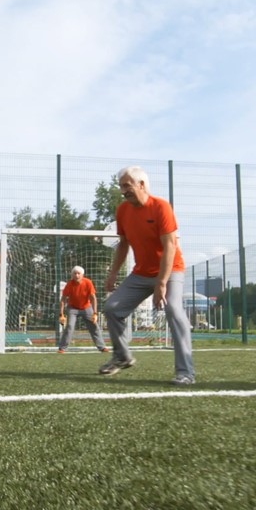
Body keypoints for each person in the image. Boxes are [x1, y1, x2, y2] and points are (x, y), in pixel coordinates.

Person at [102, 165, 195, 385]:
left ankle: (185, 373)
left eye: (127, 185)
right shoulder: (122, 211)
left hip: (171, 270)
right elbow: (123, 245)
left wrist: (161, 283)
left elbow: (170, 246)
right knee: (112, 308)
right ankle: (122, 356)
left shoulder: (161, 207)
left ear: (141, 184)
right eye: (121, 187)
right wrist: (113, 273)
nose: (123, 191)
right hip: (141, 274)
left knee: (173, 309)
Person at [57, 266, 109, 355]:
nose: (76, 275)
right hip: (72, 308)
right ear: (72, 275)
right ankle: (62, 348)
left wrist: (95, 313)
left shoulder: (88, 282)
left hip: (86, 308)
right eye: (75, 273)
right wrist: (61, 314)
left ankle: (102, 347)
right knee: (69, 326)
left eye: (78, 273)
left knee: (94, 326)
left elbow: (93, 298)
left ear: (82, 275)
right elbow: (63, 299)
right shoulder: (69, 284)